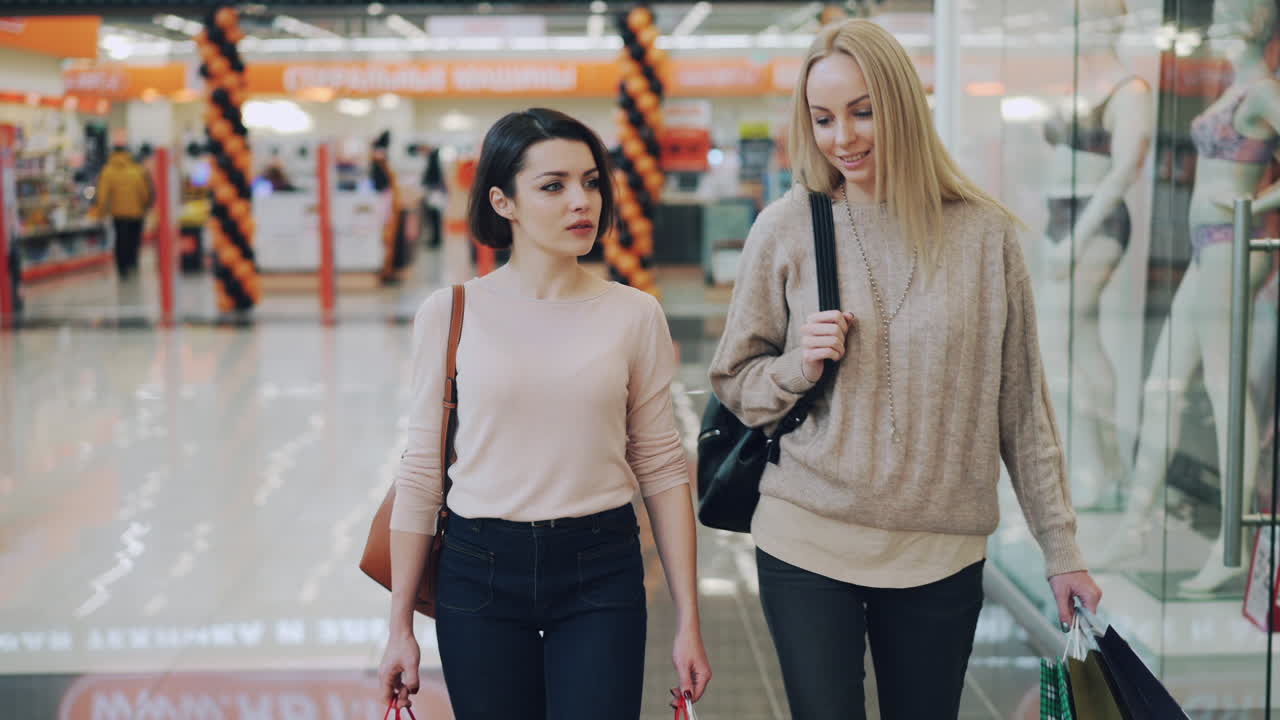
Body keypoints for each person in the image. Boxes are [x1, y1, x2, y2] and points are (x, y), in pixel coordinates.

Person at [708, 19, 1101, 719]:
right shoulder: (789, 226)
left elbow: (1021, 409)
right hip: (807, 538)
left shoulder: (984, 235)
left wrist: (1061, 549)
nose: (844, 138)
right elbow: (736, 382)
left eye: (863, 111)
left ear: (902, 105)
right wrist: (799, 365)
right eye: (823, 119)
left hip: (939, 554)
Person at [377, 108, 711, 719]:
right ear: (503, 202)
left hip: (600, 565)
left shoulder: (634, 315)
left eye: (590, 182)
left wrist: (688, 618)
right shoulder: (450, 313)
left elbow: (662, 469)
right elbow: (422, 471)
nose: (581, 201)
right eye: (553, 186)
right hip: (477, 570)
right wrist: (400, 625)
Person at [1103, 0, 1280, 593]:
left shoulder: (1265, 95)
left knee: (1225, 394)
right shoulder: (1239, 88)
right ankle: (1135, 525)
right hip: (1209, 246)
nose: (1228, 12)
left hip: (1233, 244)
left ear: (1264, 17)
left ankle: (1233, 544)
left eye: (1243, 5)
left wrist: (1255, 207)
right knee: (1163, 385)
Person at [1039, 0, 1152, 508]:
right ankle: (1107, 471)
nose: (1076, 26)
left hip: (1097, 223)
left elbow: (1125, 170)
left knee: (1065, 341)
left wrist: (1076, 239)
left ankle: (1108, 468)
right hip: (1060, 221)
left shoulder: (1130, 91)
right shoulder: (1078, 88)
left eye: (1086, 15)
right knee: (1077, 344)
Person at [93, 145, 153, 279]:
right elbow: (143, 191)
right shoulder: (136, 170)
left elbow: (102, 194)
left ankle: (122, 268)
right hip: (136, 213)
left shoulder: (108, 171)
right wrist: (145, 206)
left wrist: (101, 212)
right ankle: (133, 262)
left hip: (118, 214)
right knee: (134, 239)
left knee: (120, 241)